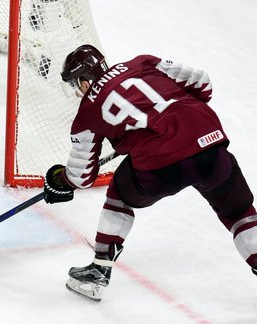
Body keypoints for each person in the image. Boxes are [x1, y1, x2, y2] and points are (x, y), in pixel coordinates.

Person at [43, 44, 257, 302]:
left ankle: (99, 271)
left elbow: (81, 176)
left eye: (76, 85)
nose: (77, 92)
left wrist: (60, 180)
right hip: (210, 144)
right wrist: (179, 118)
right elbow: (202, 82)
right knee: (239, 213)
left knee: (119, 194)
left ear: (85, 82)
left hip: (161, 167)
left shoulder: (87, 112)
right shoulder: (143, 63)